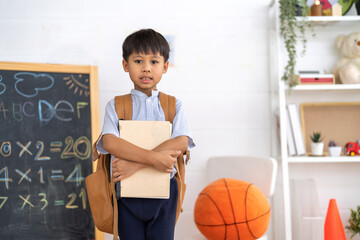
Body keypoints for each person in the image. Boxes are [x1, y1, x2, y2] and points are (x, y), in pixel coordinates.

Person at [96, 28, 195, 240]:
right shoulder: (116, 105)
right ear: (125, 65)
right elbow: (110, 142)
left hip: (165, 194)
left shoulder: (173, 105)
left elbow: (182, 141)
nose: (146, 69)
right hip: (126, 194)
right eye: (138, 61)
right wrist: (154, 158)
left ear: (165, 66)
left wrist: (135, 164)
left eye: (154, 62)